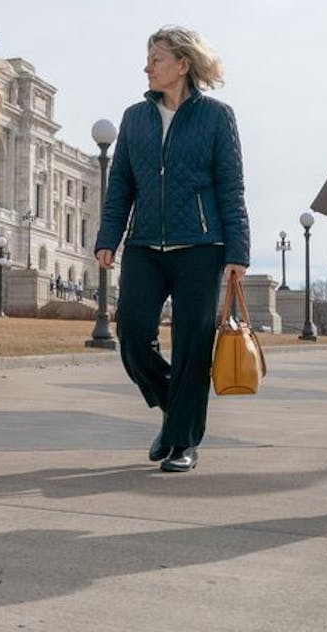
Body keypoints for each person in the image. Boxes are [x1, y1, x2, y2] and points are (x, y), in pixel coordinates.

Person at [94, 27, 249, 473]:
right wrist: (109, 237)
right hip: (144, 244)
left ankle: (183, 440)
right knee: (132, 337)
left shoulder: (218, 117)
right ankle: (174, 407)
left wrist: (237, 252)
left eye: (156, 58)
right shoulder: (135, 118)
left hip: (202, 246)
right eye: (148, 57)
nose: (147, 66)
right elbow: (121, 183)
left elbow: (231, 188)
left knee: (191, 347)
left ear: (182, 64)